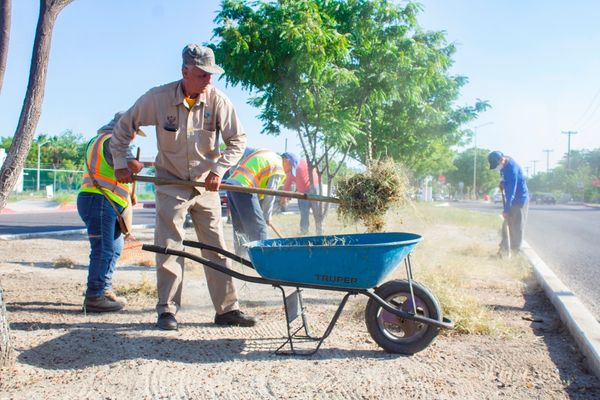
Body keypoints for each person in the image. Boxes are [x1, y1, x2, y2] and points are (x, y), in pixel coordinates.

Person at [110, 43, 256, 330]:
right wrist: (120, 162)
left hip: (206, 186)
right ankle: (167, 310)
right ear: (185, 71)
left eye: (211, 75)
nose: (209, 80)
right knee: (169, 247)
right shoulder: (158, 99)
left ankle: (227, 310)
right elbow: (123, 128)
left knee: (216, 247)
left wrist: (219, 169)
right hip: (170, 184)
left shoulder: (218, 101)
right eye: (203, 74)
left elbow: (238, 140)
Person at [78, 113, 144, 312]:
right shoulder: (114, 140)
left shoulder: (99, 140)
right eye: (133, 131)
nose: (133, 136)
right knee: (104, 249)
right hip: (99, 200)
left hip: (103, 201)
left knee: (113, 248)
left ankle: (103, 289)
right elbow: (133, 165)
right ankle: (95, 296)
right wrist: (139, 166)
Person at [225, 149, 294, 256]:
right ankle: (263, 259)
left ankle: (241, 259)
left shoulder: (268, 154)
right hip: (245, 187)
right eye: (290, 169)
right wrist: (267, 216)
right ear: (287, 161)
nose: (288, 172)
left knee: (241, 228)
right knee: (260, 229)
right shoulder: (279, 167)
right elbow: (269, 194)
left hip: (231, 184)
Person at [488, 151, 529, 255]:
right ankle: (503, 251)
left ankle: (516, 253)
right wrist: (502, 183)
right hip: (512, 199)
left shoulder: (512, 170)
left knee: (516, 227)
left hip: (520, 200)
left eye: (496, 165)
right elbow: (504, 178)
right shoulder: (504, 165)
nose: (497, 168)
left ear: (501, 160)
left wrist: (506, 210)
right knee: (506, 226)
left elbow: (511, 193)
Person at [281, 155, 322, 235]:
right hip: (308, 191)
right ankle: (310, 232)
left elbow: (287, 185)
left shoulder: (295, 168)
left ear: (289, 161)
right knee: (310, 215)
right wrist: (284, 198)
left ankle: (312, 232)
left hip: (311, 190)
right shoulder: (303, 163)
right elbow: (287, 185)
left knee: (310, 215)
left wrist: (283, 198)